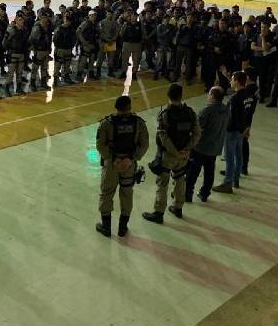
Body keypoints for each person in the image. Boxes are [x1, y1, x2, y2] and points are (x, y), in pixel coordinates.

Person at [142, 83, 200, 223]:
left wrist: (175, 152)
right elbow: (197, 134)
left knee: (162, 183)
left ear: (168, 95)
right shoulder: (190, 113)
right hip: (183, 155)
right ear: (181, 95)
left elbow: (163, 137)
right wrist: (186, 149)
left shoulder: (165, 114)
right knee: (180, 179)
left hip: (168, 156)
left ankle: (159, 213)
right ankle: (178, 207)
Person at [95, 95, 149, 237]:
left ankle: (106, 227)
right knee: (127, 193)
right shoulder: (138, 123)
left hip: (111, 165)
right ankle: (122, 228)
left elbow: (100, 145)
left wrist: (113, 159)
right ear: (130, 107)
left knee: (107, 193)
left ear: (116, 107)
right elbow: (144, 144)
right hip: (129, 166)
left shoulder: (107, 123)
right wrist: (130, 158)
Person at [185, 86, 229, 203]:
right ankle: (204, 193)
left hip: (201, 146)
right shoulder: (226, 109)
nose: (208, 96)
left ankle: (187, 193)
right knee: (209, 171)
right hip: (215, 147)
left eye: (209, 94)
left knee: (193, 171)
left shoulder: (207, 111)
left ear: (213, 96)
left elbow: (197, 128)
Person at [212, 71, 247, 193]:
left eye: (232, 79)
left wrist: (225, 128)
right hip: (241, 130)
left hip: (232, 131)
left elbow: (230, 117)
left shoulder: (234, 98)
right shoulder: (247, 95)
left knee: (230, 157)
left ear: (237, 81)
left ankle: (228, 182)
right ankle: (235, 178)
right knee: (238, 155)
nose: (230, 81)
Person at [3, 15, 29, 95]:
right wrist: (8, 51)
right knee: (10, 73)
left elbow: (26, 42)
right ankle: (7, 89)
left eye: (22, 20)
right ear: (16, 21)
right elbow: (5, 42)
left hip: (21, 54)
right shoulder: (11, 30)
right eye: (20, 20)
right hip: (13, 54)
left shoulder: (25, 30)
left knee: (20, 73)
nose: (22, 21)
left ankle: (18, 88)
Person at [28, 14, 53, 91]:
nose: (45, 20)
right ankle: (32, 84)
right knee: (35, 68)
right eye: (44, 18)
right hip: (38, 51)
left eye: (46, 18)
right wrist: (34, 50)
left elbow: (49, 39)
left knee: (44, 68)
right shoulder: (37, 28)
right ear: (40, 19)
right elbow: (31, 40)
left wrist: (49, 48)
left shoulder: (48, 28)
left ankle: (43, 83)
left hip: (46, 50)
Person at [52, 15, 76, 85]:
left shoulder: (71, 29)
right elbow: (54, 39)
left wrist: (71, 46)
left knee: (67, 64)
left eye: (68, 21)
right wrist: (57, 47)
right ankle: (55, 79)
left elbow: (74, 39)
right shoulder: (59, 29)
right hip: (60, 49)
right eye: (66, 20)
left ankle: (66, 77)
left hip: (68, 49)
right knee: (58, 64)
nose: (67, 22)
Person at [76, 10, 100, 80]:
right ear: (89, 16)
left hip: (93, 44)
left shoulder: (96, 24)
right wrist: (84, 43)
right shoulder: (85, 23)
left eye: (94, 15)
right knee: (83, 61)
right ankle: (79, 75)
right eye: (92, 15)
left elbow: (99, 33)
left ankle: (90, 74)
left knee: (92, 60)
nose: (93, 16)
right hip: (86, 45)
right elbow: (78, 32)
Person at [119, 11, 143, 80]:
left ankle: (134, 73)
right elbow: (121, 33)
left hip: (137, 44)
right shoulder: (126, 24)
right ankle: (124, 72)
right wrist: (125, 40)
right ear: (130, 17)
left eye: (135, 16)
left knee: (136, 60)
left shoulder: (140, 25)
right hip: (127, 44)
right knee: (124, 59)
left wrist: (141, 42)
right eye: (133, 16)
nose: (134, 17)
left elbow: (143, 34)